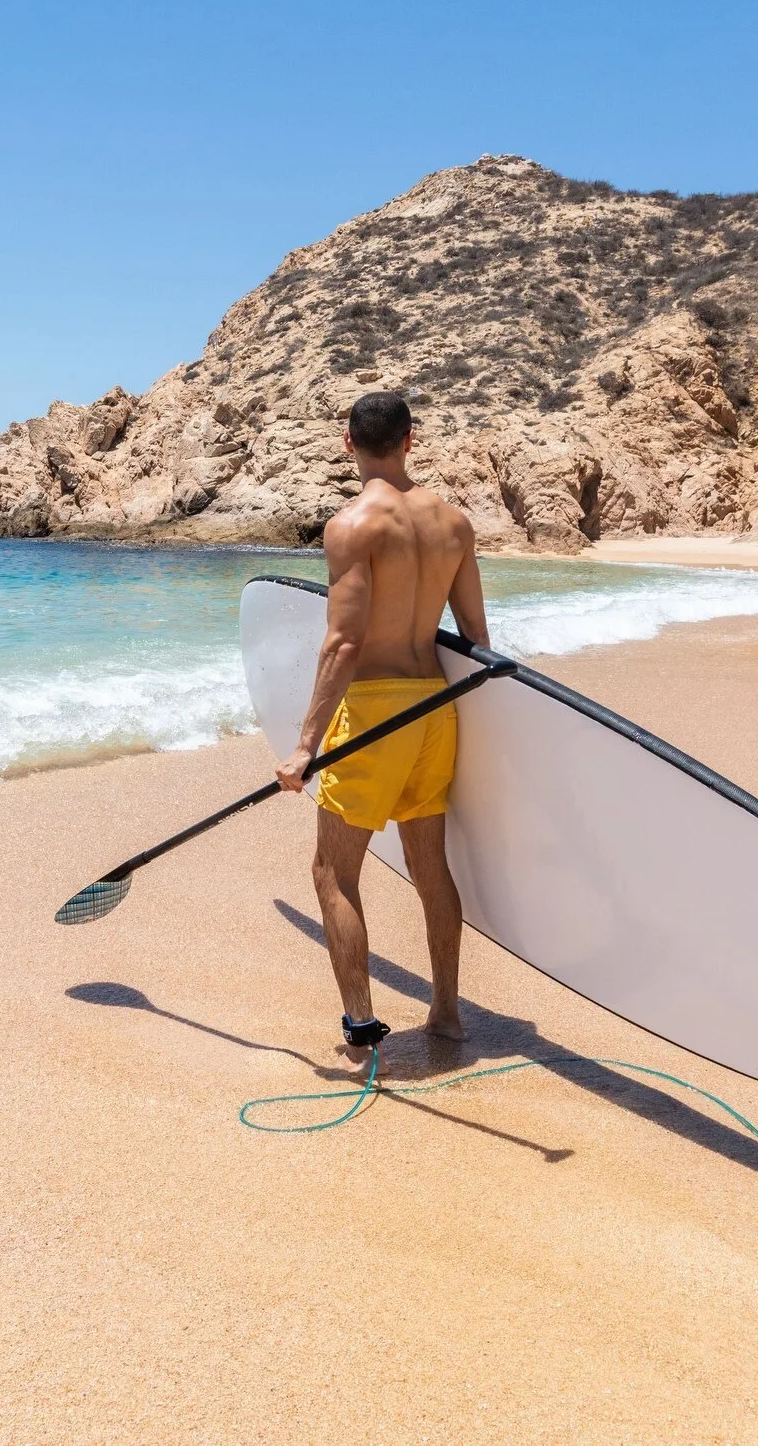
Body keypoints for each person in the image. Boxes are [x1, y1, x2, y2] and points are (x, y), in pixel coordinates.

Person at [274, 391, 490, 1052]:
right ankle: (446, 1012)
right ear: (409, 441)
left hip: (373, 713)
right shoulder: (453, 523)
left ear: (348, 443)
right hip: (433, 707)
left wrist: (305, 746)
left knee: (332, 874)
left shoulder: (352, 526)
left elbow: (343, 644)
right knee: (432, 870)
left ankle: (361, 1023)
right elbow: (477, 638)